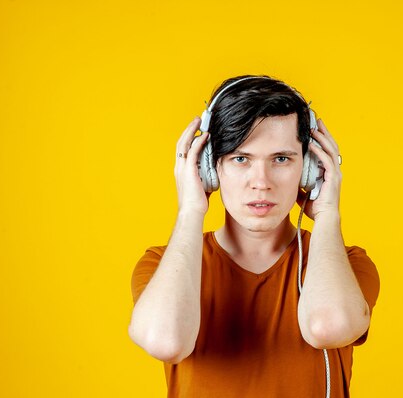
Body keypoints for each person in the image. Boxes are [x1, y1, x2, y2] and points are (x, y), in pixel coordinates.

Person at [128, 75, 380, 397]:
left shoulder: (350, 265)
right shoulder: (162, 264)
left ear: (311, 167)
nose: (261, 182)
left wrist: (328, 213)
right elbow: (166, 340)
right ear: (208, 168)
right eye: (241, 159)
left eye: (281, 159)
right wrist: (190, 210)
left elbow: (328, 328)